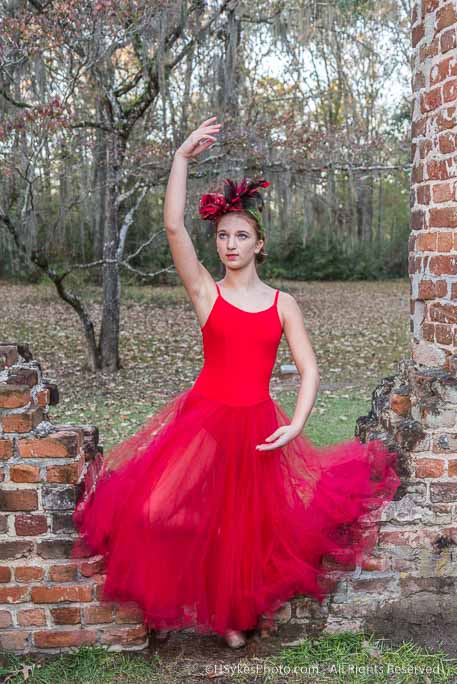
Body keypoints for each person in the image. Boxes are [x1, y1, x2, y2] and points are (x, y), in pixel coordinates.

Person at [71, 116, 401, 650]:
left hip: (257, 424)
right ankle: (182, 597)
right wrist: (180, 157)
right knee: (158, 511)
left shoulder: (281, 303)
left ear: (259, 244)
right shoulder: (207, 293)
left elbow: (310, 369)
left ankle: (233, 615)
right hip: (204, 418)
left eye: (241, 235)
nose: (230, 243)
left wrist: (296, 424)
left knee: (249, 528)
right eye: (223, 235)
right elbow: (175, 228)